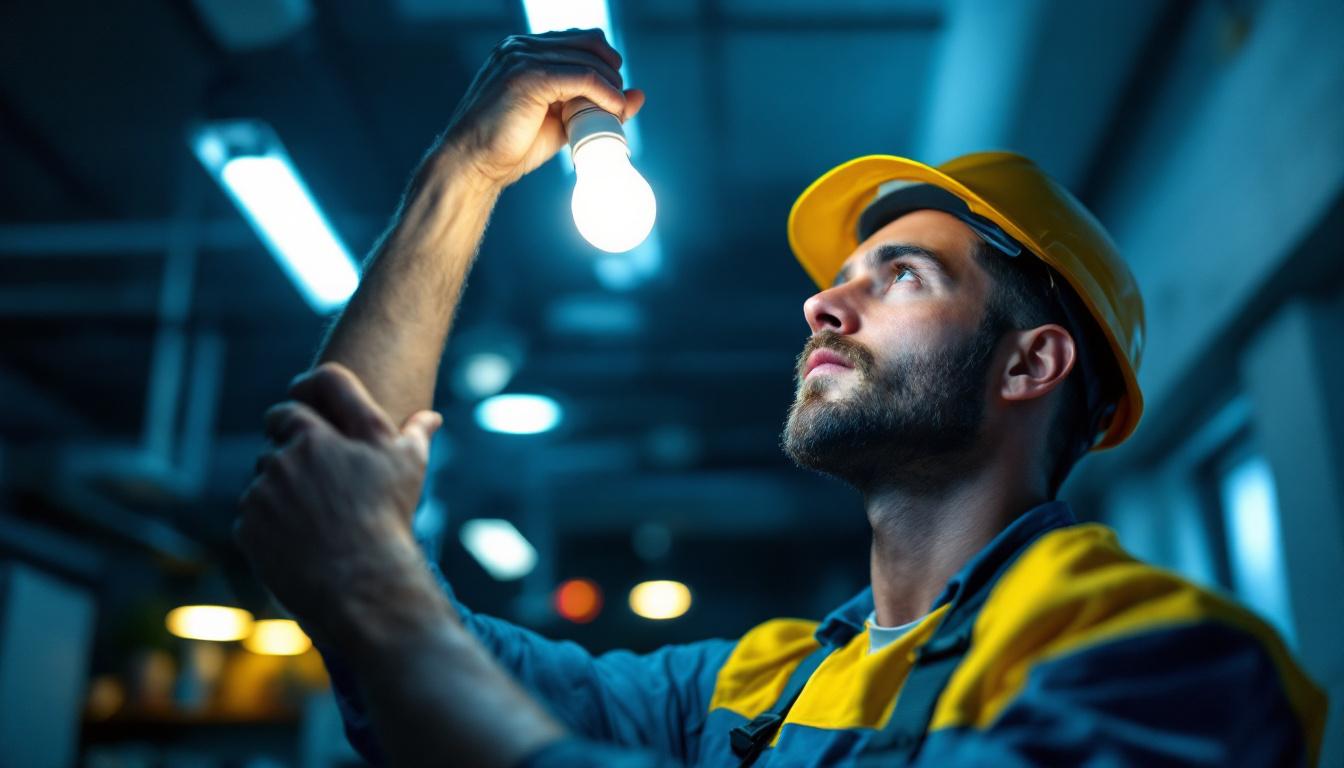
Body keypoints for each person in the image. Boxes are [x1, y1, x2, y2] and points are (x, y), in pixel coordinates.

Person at [234, 29, 1327, 767]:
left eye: (902, 276)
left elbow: (383, 603)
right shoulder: (756, 687)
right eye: (838, 280)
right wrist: (462, 175)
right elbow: (376, 600)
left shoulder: (1164, 660)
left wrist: (373, 587)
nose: (822, 307)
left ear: (1028, 365)